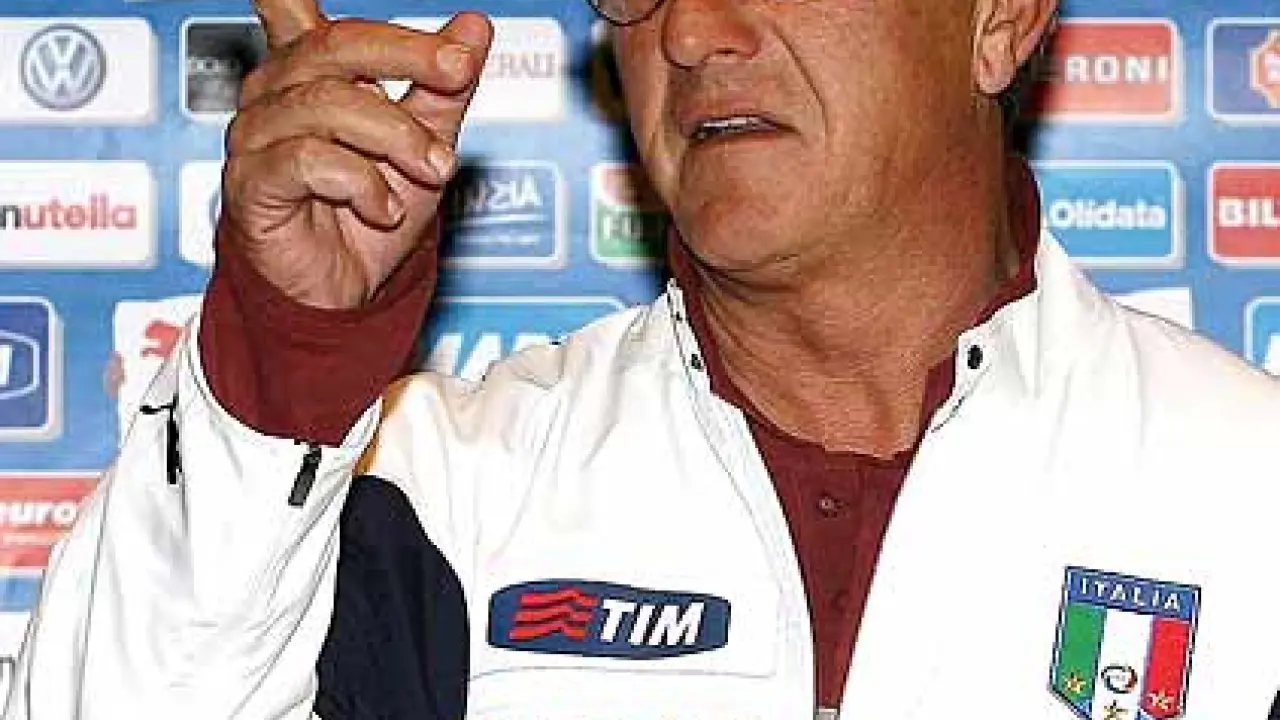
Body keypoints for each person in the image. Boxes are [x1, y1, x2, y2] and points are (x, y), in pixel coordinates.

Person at [6, 0, 1280, 716]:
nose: (689, 32)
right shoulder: (440, 494)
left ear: (997, 19)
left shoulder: (1250, 488)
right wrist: (286, 363)